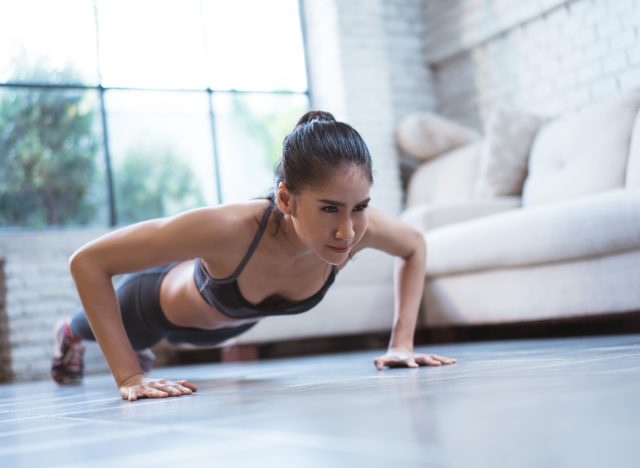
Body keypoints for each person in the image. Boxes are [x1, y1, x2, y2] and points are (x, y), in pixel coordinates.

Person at [51, 110, 456, 401]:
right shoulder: (230, 228)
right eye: (330, 208)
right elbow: (87, 262)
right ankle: (67, 333)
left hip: (227, 323)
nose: (347, 231)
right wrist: (129, 375)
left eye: (361, 207)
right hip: (152, 308)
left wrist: (401, 344)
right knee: (98, 329)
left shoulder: (355, 228)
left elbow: (414, 246)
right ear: (286, 198)